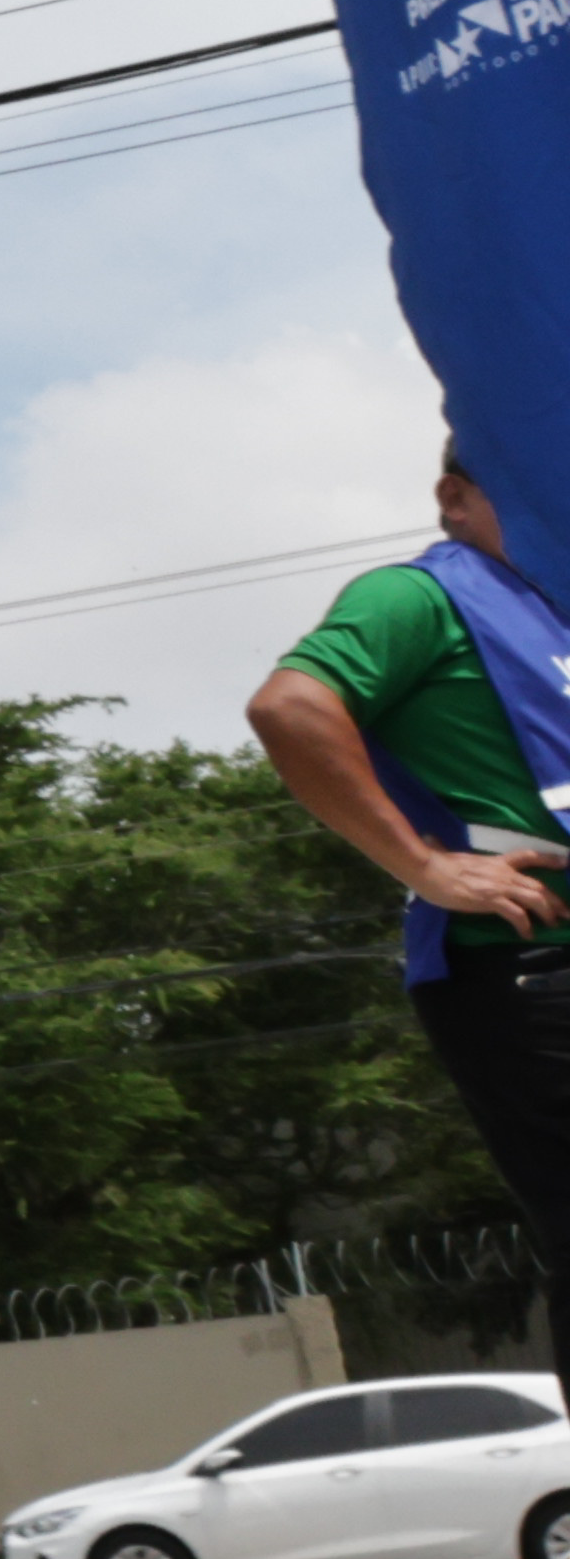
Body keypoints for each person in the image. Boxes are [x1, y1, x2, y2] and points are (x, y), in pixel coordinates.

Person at [250, 442, 570, 1333]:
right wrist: (424, 865)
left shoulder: (553, 614)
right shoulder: (416, 596)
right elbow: (290, 708)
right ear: (455, 499)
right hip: (527, 966)